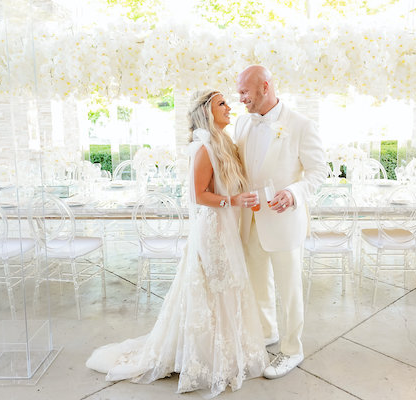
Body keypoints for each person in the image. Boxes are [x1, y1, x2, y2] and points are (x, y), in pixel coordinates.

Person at [86, 90, 268, 398]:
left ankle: (225, 349)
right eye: (221, 103)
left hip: (226, 227)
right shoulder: (204, 148)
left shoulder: (225, 143)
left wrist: (243, 201)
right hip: (212, 229)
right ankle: (207, 357)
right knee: (213, 288)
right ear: (207, 113)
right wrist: (232, 200)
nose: (229, 107)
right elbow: (199, 195)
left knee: (227, 287)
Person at [235, 65, 326, 379]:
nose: (240, 98)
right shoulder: (243, 124)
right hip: (250, 221)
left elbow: (318, 172)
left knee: (289, 290)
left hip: (284, 221)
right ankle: (266, 332)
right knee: (257, 283)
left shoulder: (300, 124)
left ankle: (292, 349)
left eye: (245, 91)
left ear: (264, 86)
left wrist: (293, 192)